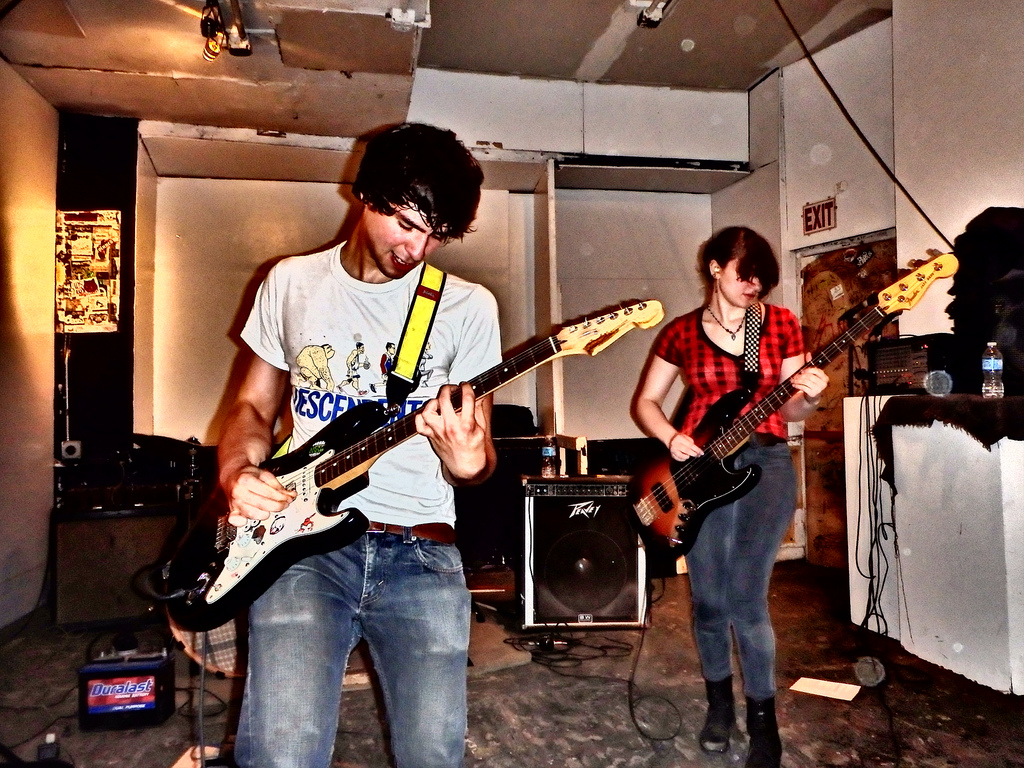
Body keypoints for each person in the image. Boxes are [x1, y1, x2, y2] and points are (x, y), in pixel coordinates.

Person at [218, 123, 501, 768]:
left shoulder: (467, 308)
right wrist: (238, 471)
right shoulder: (289, 282)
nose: (416, 248)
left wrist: (468, 462)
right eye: (407, 222)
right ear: (365, 193)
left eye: (436, 234)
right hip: (302, 546)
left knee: (434, 758)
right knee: (282, 754)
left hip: (422, 550)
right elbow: (252, 407)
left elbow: (477, 458)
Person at [631, 226, 828, 768]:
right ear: (716, 268)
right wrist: (671, 437)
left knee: (746, 597)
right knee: (709, 601)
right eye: (745, 275)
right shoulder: (681, 332)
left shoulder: (780, 324)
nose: (754, 286)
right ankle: (719, 706)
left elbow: (790, 409)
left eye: (763, 279)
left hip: (766, 465)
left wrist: (809, 398)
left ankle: (764, 720)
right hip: (699, 471)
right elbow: (646, 401)